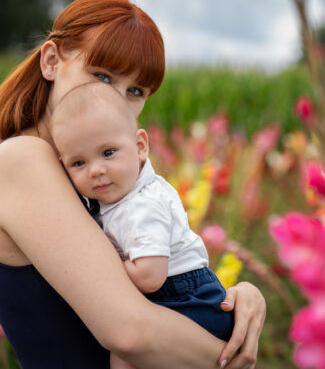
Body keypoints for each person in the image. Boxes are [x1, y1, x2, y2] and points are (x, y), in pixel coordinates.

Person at [0, 0, 266, 369]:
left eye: (136, 91)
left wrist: (235, 298)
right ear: (51, 60)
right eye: (102, 76)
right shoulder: (21, 159)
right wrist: (231, 361)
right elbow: (129, 331)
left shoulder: (89, 176)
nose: (116, 102)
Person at [51, 82, 235, 369]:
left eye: (108, 152)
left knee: (125, 355)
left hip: (188, 300)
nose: (96, 169)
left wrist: (101, 263)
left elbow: (150, 276)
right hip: (174, 294)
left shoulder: (142, 205)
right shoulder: (114, 198)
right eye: (78, 163)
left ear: (140, 146)